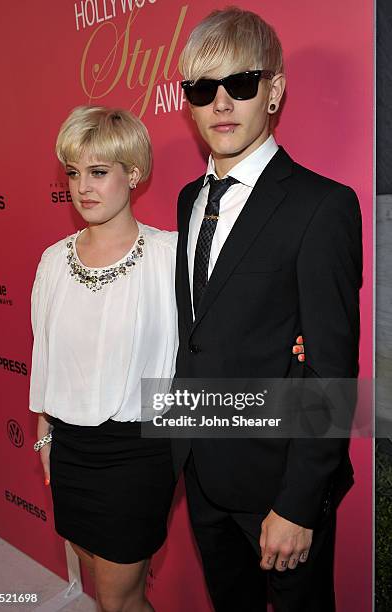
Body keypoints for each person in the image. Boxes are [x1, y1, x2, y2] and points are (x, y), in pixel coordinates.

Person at [174, 7, 362, 612]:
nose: (221, 103)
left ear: (274, 91)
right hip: (202, 471)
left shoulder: (322, 206)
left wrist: (299, 504)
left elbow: (331, 369)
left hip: (280, 487)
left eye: (241, 83)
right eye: (204, 89)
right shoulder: (186, 199)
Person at [29, 106, 178, 612]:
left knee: (117, 598)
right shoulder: (53, 261)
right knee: (101, 578)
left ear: (133, 174)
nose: (82, 187)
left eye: (98, 172)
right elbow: (43, 353)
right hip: (71, 450)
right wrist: (45, 433)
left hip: (137, 453)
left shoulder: (169, 258)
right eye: (73, 173)